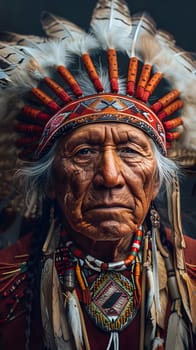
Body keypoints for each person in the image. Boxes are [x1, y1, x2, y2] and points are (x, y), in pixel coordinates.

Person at [0, 0, 196, 349]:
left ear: (156, 180)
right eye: (84, 152)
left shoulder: (192, 272)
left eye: (130, 151)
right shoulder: (6, 283)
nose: (110, 176)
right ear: (50, 183)